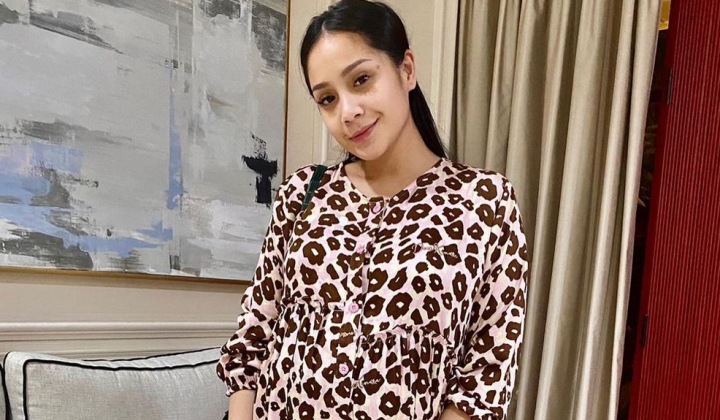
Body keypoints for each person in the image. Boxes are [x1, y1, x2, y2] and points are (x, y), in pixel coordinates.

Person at [217, 0, 529, 419]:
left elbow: (487, 372)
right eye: (327, 99)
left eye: (361, 80)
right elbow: (254, 334)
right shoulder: (302, 193)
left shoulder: (484, 202)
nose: (348, 112)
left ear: (406, 69)